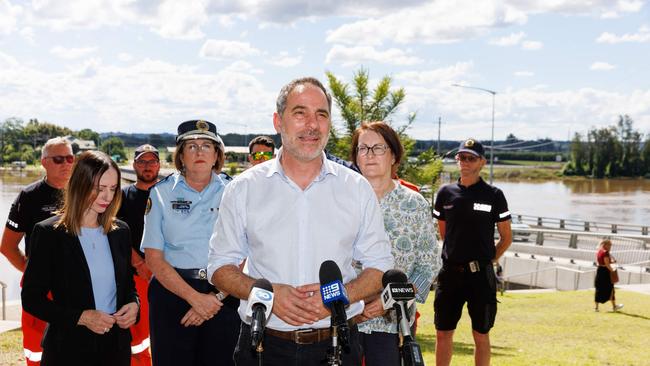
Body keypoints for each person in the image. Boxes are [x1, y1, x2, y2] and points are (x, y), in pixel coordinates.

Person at [208, 77, 394, 365]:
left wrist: (337, 297)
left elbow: (380, 265)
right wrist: (267, 294)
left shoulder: (356, 188)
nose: (312, 125)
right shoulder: (244, 189)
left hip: (337, 344)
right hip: (262, 348)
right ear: (278, 121)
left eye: (321, 115)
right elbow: (219, 267)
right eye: (300, 113)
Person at [21, 150, 139, 366]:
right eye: (99, 188)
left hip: (116, 350)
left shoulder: (121, 231)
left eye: (113, 189)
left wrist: (133, 305)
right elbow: (31, 300)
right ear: (79, 185)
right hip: (67, 351)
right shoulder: (49, 233)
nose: (107, 197)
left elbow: (128, 286)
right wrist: (81, 317)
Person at [141, 120, 240, 366]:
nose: (199, 151)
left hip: (224, 291)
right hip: (172, 292)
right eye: (192, 146)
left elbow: (245, 252)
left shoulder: (234, 191)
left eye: (207, 145)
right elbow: (154, 257)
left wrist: (215, 298)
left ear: (217, 154)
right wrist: (195, 298)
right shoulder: (161, 193)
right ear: (181, 155)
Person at [351, 121, 441, 366]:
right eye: (363, 148)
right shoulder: (341, 201)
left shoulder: (415, 204)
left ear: (393, 155)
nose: (369, 155)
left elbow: (428, 267)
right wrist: (352, 302)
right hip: (345, 321)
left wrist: (387, 301)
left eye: (378, 148)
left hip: (393, 325)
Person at [432, 138, 512, 366]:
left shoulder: (494, 195)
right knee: (443, 333)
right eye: (461, 157)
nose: (464, 162)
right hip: (450, 276)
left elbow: (506, 238)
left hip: (480, 278)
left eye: (471, 158)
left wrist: (488, 260)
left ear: (482, 162)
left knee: (481, 335)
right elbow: (444, 234)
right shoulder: (445, 194)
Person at [1, 137, 74, 365]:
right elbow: (7, 246)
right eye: (58, 159)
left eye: (70, 158)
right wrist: (31, 271)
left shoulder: (84, 194)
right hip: (41, 289)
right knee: (37, 350)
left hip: (76, 284)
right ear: (44, 162)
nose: (66, 164)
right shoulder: (29, 197)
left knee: (75, 346)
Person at [116, 144, 160, 365]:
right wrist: (140, 264)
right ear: (134, 165)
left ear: (159, 164)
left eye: (152, 161)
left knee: (166, 332)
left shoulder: (168, 193)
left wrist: (159, 266)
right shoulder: (122, 196)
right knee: (138, 337)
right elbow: (114, 233)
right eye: (142, 161)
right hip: (136, 277)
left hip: (166, 275)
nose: (147, 166)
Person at [594, 239, 623, 312]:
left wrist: (612, 261)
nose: (610, 246)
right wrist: (612, 270)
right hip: (605, 272)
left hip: (600, 270)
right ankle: (614, 306)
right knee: (611, 289)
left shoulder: (599, 251)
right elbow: (607, 264)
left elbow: (602, 262)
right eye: (609, 245)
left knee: (599, 288)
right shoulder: (606, 252)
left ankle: (596, 308)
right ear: (605, 245)